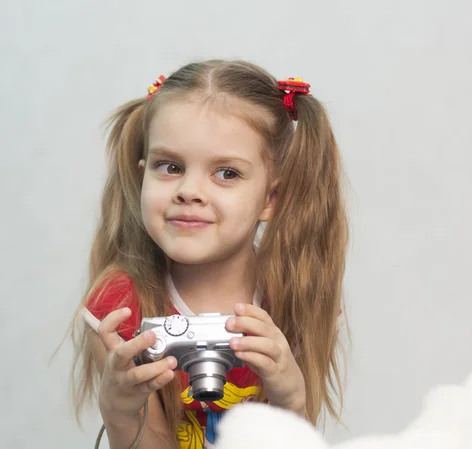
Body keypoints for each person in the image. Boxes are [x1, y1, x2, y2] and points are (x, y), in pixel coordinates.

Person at [69, 60, 349, 449]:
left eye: (227, 173)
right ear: (142, 175)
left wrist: (292, 401)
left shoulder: (296, 295)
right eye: (169, 166)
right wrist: (121, 415)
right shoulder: (119, 310)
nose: (189, 190)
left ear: (271, 198)